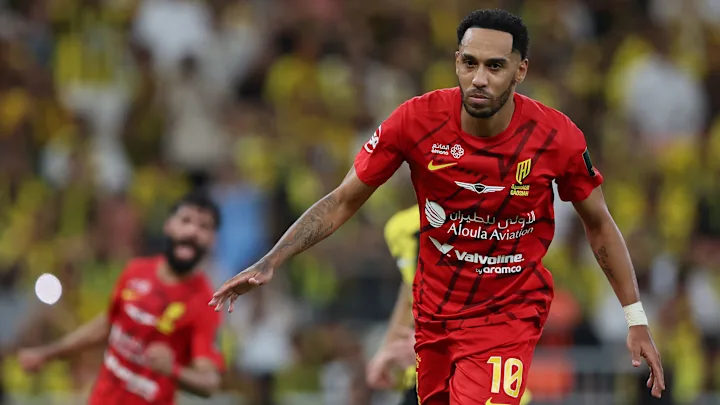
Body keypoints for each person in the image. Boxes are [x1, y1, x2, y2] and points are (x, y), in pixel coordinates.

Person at [210, 9, 666, 405]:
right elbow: (343, 200)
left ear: (520, 70)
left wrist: (635, 318)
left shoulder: (556, 137)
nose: (479, 78)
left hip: (507, 315)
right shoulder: (416, 121)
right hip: (434, 318)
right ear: (456, 62)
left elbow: (599, 224)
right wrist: (272, 261)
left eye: (495, 66)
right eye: (469, 63)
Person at [17, 191, 224, 405]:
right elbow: (108, 324)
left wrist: (173, 370)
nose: (192, 231)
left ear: (213, 240)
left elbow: (209, 382)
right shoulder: (136, 270)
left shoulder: (205, 303)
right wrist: (47, 354)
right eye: (186, 220)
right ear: (168, 225)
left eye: (204, 226)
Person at [367, 204, 532, 405]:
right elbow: (411, 289)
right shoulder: (404, 228)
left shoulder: (495, 222)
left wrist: (434, 344)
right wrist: (388, 348)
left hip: (482, 379)